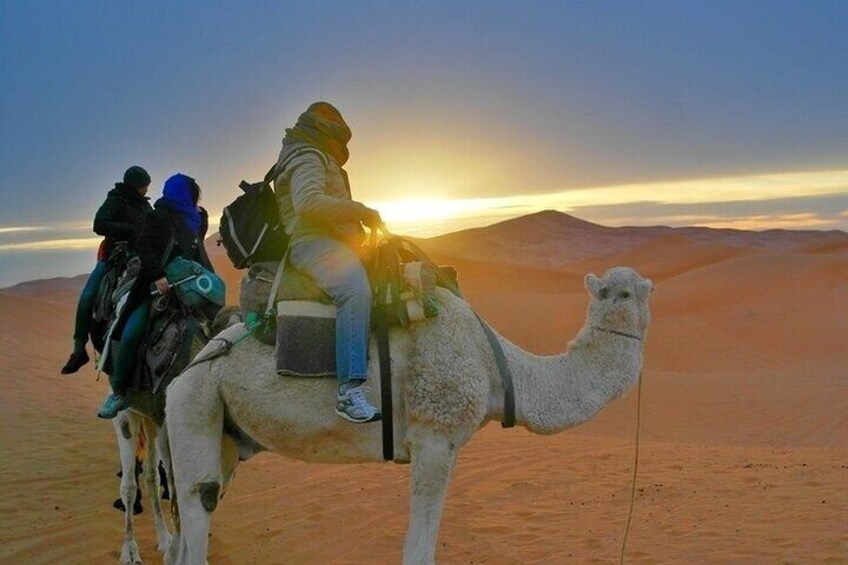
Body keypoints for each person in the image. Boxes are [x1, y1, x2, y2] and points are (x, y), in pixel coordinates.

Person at [275, 101, 383, 423]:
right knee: (355, 291)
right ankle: (349, 391)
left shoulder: (316, 153)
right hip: (313, 242)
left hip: (333, 241)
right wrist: (360, 211)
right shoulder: (307, 154)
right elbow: (307, 202)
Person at [96, 173, 214, 419]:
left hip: (189, 283)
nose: (195, 198)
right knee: (132, 330)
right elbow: (145, 248)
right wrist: (158, 275)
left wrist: (210, 280)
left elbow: (198, 251)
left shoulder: (197, 218)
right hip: (155, 285)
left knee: (220, 321)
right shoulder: (158, 216)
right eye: (192, 193)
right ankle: (119, 392)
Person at [61, 166, 152, 374]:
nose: (146, 190)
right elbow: (99, 224)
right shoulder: (115, 200)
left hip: (140, 259)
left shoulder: (146, 208)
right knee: (87, 297)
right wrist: (127, 230)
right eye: (143, 186)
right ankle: (78, 351)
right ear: (134, 186)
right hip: (113, 257)